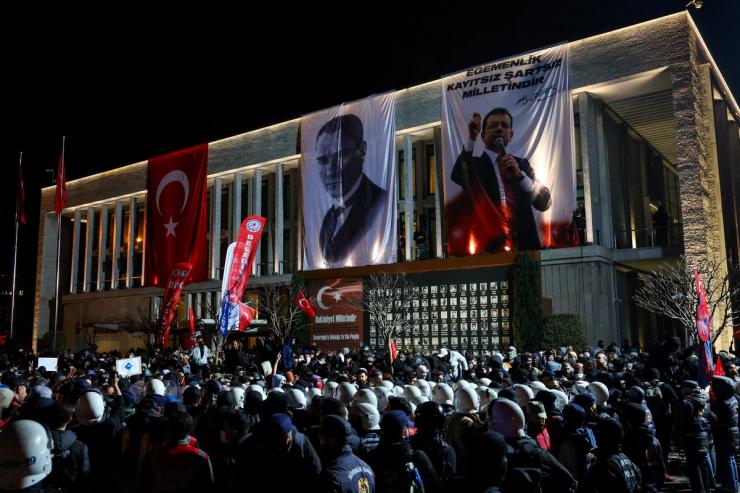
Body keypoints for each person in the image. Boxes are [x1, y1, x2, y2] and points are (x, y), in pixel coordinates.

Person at [451, 107, 551, 251]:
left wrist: (521, 177)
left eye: (504, 125)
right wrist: (471, 139)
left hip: (525, 249)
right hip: (489, 250)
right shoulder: (475, 165)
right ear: (483, 135)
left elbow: (545, 203)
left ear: (511, 135)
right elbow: (457, 175)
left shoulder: (522, 165)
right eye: (493, 126)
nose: (499, 129)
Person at [315, 114, 387, 266]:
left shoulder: (379, 202)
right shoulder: (328, 219)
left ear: (362, 150)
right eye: (323, 161)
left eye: (342, 155)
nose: (330, 171)